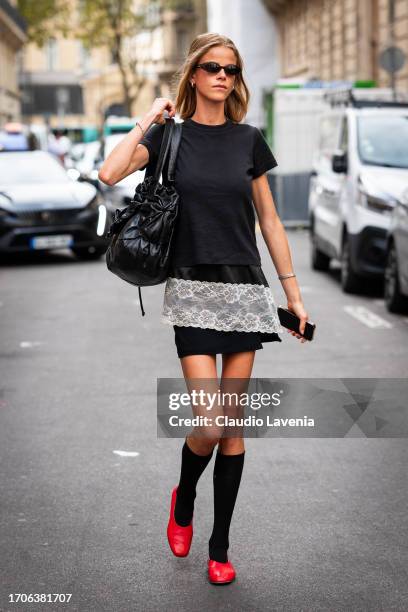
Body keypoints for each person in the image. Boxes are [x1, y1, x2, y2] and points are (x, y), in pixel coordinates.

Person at [98, 32, 310, 585]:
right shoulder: (169, 136)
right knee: (210, 425)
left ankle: (219, 548)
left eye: (232, 70)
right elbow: (109, 172)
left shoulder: (249, 140)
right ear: (194, 75)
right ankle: (184, 494)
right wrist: (147, 116)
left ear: (237, 80)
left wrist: (293, 295)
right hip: (191, 290)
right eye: (212, 67)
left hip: (245, 290)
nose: (222, 76)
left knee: (233, 429)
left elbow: (269, 220)